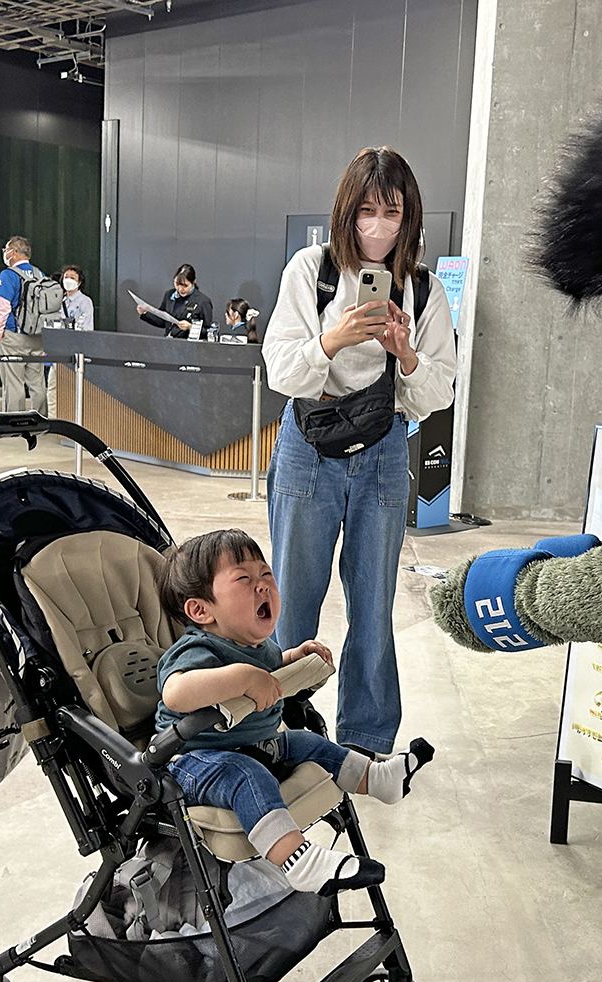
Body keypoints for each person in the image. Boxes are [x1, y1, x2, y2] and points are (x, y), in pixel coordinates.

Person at [263, 146, 456, 755]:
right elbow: (281, 369)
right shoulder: (311, 269)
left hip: (383, 447)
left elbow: (439, 392)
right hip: (309, 445)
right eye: (367, 210)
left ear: (409, 218)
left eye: (391, 213)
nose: (378, 226)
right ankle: (277, 731)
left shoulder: (423, 289)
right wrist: (334, 339)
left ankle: (367, 739)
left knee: (373, 604)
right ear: (347, 212)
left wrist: (405, 353)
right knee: (291, 601)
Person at [156, 529, 434, 895]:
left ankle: (378, 779)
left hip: (257, 744)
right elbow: (176, 693)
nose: (263, 585)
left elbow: (269, 675)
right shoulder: (198, 649)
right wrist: (242, 677)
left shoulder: (260, 646)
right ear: (200, 610)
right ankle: (298, 861)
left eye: (265, 574)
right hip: (197, 761)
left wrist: (293, 660)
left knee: (306, 741)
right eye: (244, 579)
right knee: (246, 774)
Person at [0, 235, 46, 413]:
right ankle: (41, 418)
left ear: (13, 252)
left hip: (14, 335)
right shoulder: (39, 274)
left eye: (6, 250)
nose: (5, 253)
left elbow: (2, 305)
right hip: (37, 336)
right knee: (37, 382)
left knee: (13, 382)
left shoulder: (8, 275)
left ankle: (14, 420)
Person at [139, 263, 212, 338]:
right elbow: (162, 321)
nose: (180, 289)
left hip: (189, 343)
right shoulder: (169, 295)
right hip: (169, 341)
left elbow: (209, 331)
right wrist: (145, 313)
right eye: (177, 284)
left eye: (185, 286)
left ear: (193, 282)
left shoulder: (203, 301)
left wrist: (190, 327)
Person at [61, 264, 94, 332]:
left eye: (72, 278)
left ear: (79, 283)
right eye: (66, 277)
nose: (68, 280)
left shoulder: (85, 301)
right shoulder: (59, 300)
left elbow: (87, 327)